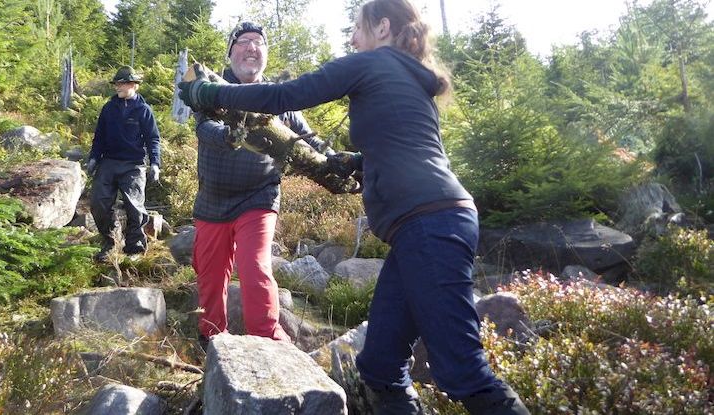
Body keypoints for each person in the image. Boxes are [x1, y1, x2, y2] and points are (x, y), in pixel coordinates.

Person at [177, 1, 530, 414]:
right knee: (380, 368)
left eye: (356, 28)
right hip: (422, 228)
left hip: (431, 223)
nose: (351, 38)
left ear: (382, 27)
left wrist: (211, 91)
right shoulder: (407, 77)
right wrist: (359, 163)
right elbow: (406, 147)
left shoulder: (374, 63)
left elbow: (284, 95)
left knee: (461, 370)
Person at [191, 22, 335, 348]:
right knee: (210, 276)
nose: (251, 48)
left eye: (258, 43)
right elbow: (204, 128)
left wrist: (337, 161)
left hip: (259, 195)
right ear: (230, 52)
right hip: (212, 199)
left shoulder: (277, 97)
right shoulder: (211, 88)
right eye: (244, 42)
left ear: (265, 55)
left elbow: (309, 141)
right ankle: (212, 338)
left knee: (254, 266)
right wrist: (228, 137)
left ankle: (268, 339)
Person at [88, 66, 161, 260]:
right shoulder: (108, 108)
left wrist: (155, 164)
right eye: (116, 84)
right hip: (108, 162)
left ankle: (135, 248)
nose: (117, 87)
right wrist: (94, 158)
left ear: (133, 85)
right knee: (98, 203)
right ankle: (110, 242)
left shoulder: (143, 110)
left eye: (120, 84)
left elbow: (153, 139)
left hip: (134, 165)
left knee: (134, 206)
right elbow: (99, 137)